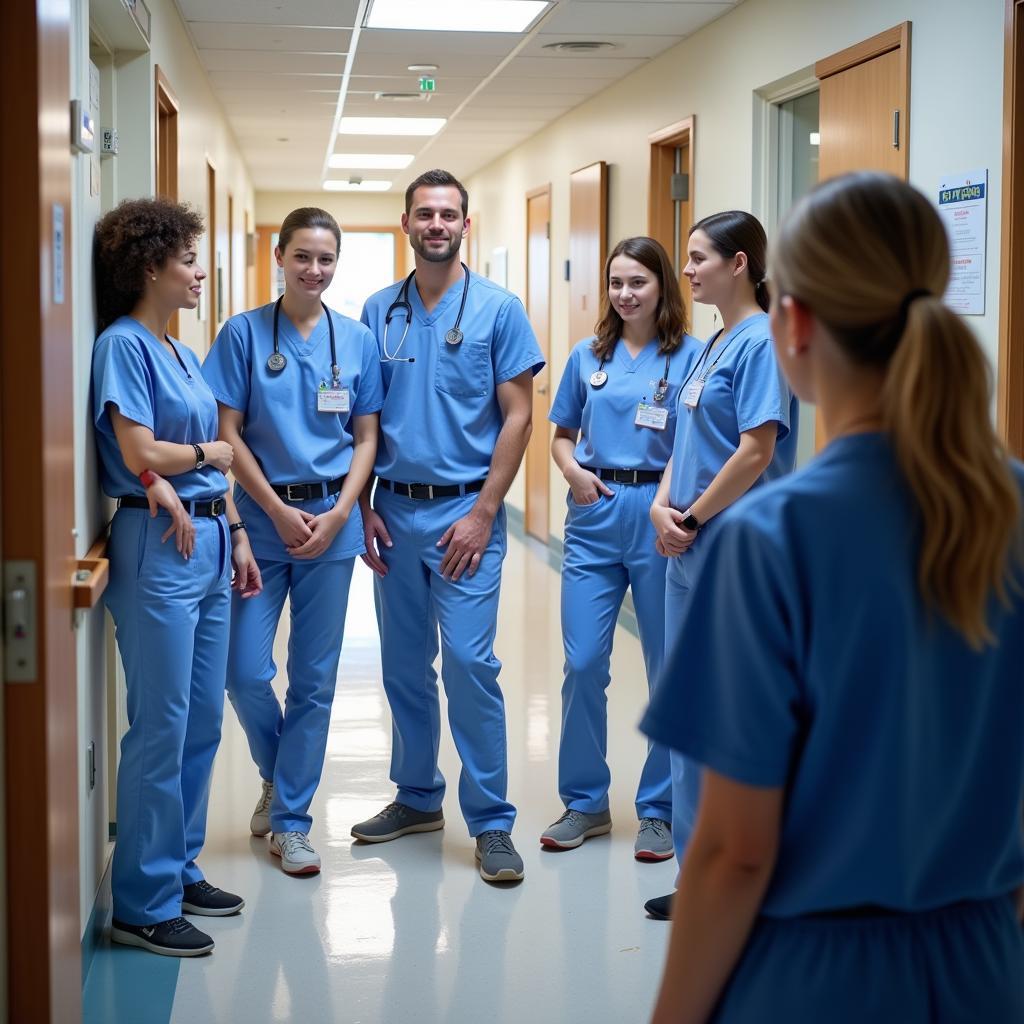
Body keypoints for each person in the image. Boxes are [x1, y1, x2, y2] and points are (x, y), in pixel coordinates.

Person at [643, 172, 1024, 1023]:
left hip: (818, 974)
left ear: (794, 323)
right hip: (987, 961)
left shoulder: (772, 540)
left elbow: (733, 854)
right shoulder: (1013, 508)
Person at [351, 169, 544, 883]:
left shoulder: (499, 309)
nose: (437, 224)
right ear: (406, 224)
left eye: (449, 214)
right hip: (394, 511)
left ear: (467, 225)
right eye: (425, 214)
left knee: (469, 664)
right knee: (403, 666)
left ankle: (491, 822)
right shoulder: (378, 311)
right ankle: (417, 796)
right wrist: (365, 503)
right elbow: (363, 420)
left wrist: (486, 510)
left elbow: (520, 415)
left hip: (467, 512)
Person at [93, 198, 262, 957]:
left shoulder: (179, 351)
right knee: (159, 725)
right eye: (189, 260)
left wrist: (237, 527)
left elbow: (177, 454)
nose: (200, 272)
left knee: (202, 719)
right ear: (149, 265)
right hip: (157, 542)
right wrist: (203, 461)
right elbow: (141, 449)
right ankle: (141, 903)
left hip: (208, 539)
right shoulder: (123, 344)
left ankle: (179, 864)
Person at [202, 207, 383, 876]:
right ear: (279, 256)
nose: (314, 269)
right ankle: (276, 775)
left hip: (329, 528)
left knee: (315, 680)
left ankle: (292, 821)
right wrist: (274, 512)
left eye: (326, 258)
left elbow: (366, 437)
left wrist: (340, 514)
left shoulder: (356, 341)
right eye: (302, 255)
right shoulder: (244, 334)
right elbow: (229, 435)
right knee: (242, 669)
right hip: (260, 524)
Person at [645, 210, 798, 920]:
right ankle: (698, 871)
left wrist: (694, 515)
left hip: (731, 552)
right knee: (687, 716)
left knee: (725, 718)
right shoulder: (713, 344)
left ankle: (734, 877)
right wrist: (661, 507)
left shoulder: (764, 342)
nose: (689, 270)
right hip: (688, 545)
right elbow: (685, 437)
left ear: (740, 264)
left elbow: (757, 450)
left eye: (700, 257)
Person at [541, 237, 699, 858]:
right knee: (582, 664)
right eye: (615, 283)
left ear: (662, 284)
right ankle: (584, 803)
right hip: (594, 512)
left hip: (660, 515)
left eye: (638, 281)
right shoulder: (589, 355)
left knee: (667, 668)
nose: (625, 293)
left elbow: (693, 444)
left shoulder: (690, 356)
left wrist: (665, 506)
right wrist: (574, 473)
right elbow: (561, 436)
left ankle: (659, 807)